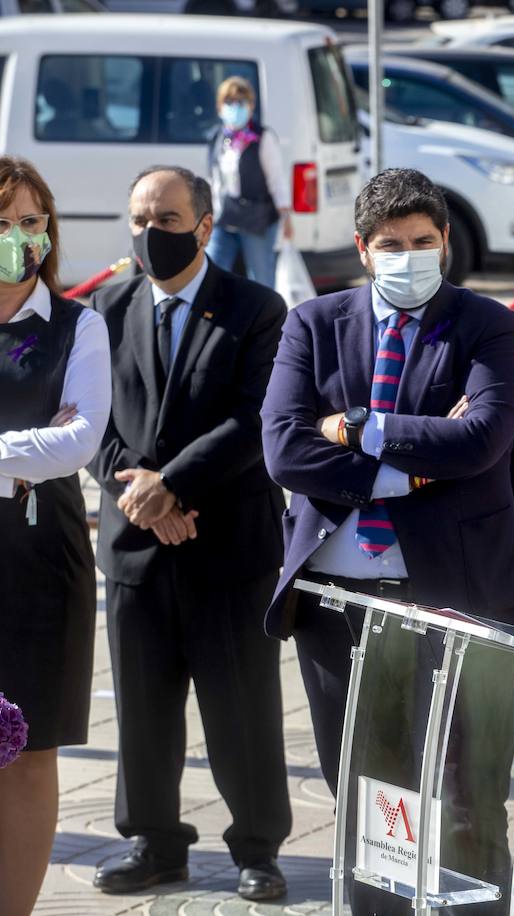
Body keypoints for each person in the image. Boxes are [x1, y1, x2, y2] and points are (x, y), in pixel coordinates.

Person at [260, 168, 514, 915]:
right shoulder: (312, 324)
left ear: (445, 242)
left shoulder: (487, 325)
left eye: (422, 241)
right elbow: (284, 451)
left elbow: (481, 440)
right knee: (371, 799)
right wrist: (405, 475)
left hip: (457, 596)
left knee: (468, 796)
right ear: (362, 248)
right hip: (337, 602)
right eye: (390, 244)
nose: (408, 255)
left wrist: (357, 429)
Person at [87, 165, 292, 901]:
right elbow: (89, 420)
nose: (151, 234)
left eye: (168, 221)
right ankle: (152, 841)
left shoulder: (258, 310)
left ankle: (257, 849)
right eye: (140, 219)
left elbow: (255, 419)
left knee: (242, 706)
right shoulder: (105, 310)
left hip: (229, 543)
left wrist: (172, 484)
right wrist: (142, 492)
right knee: (142, 709)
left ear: (205, 227)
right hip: (138, 544)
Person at [0, 156, 110, 916]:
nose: (18, 237)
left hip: (39, 562)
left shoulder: (79, 324)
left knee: (27, 751)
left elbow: (79, 440)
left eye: (31, 221)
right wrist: (23, 448)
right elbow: (48, 439)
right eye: (3, 221)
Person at [205, 76, 292, 286]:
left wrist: (286, 215)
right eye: (229, 102)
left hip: (257, 218)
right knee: (211, 272)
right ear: (219, 107)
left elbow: (276, 179)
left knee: (261, 279)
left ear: (251, 106)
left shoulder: (263, 138)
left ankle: (267, 319)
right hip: (225, 216)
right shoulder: (217, 137)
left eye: (241, 103)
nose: (235, 108)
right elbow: (214, 179)